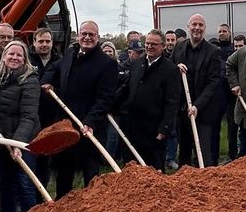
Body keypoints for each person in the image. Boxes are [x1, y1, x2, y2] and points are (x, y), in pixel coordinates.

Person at [42, 20, 120, 197]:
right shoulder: (71, 53)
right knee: (64, 173)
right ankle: (63, 208)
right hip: (66, 125)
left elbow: (105, 99)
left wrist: (90, 121)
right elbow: (55, 68)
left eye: (91, 34)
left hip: (88, 128)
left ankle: (93, 211)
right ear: (78, 35)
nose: (87, 37)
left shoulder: (107, 64)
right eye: (84, 34)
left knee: (90, 174)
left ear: (98, 37)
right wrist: (47, 82)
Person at [0, 41, 41, 212]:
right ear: (3, 56)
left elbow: (29, 116)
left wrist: (17, 143)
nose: (14, 58)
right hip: (0, 138)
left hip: (25, 140)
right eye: (11, 54)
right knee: (3, 181)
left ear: (25, 60)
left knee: (24, 181)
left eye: (19, 55)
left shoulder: (30, 80)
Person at [117, 30, 180, 170]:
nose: (149, 47)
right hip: (132, 126)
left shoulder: (170, 70)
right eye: (147, 43)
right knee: (131, 168)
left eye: (154, 44)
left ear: (163, 46)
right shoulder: (136, 64)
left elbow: (172, 102)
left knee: (154, 169)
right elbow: (126, 89)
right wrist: (112, 106)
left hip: (153, 130)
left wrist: (164, 128)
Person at [170, 14, 222, 165]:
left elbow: (213, 83)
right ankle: (184, 182)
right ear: (188, 27)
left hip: (202, 111)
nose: (197, 28)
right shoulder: (179, 47)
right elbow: (168, 69)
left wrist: (197, 106)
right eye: (194, 24)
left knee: (203, 152)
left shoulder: (213, 51)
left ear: (204, 29)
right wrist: (175, 68)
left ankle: (207, 181)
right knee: (184, 151)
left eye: (200, 25)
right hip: (183, 109)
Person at [29, 27, 60, 188]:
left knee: (45, 158)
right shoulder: (26, 59)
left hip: (50, 116)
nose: (44, 44)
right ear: (34, 42)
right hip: (29, 114)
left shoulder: (59, 61)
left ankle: (41, 191)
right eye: (41, 41)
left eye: (47, 41)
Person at [214, 23, 237, 163]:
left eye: (224, 31)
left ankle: (233, 155)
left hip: (231, 94)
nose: (221, 33)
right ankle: (214, 156)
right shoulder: (214, 50)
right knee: (215, 126)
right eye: (219, 31)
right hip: (218, 94)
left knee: (232, 127)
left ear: (230, 33)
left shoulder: (234, 50)